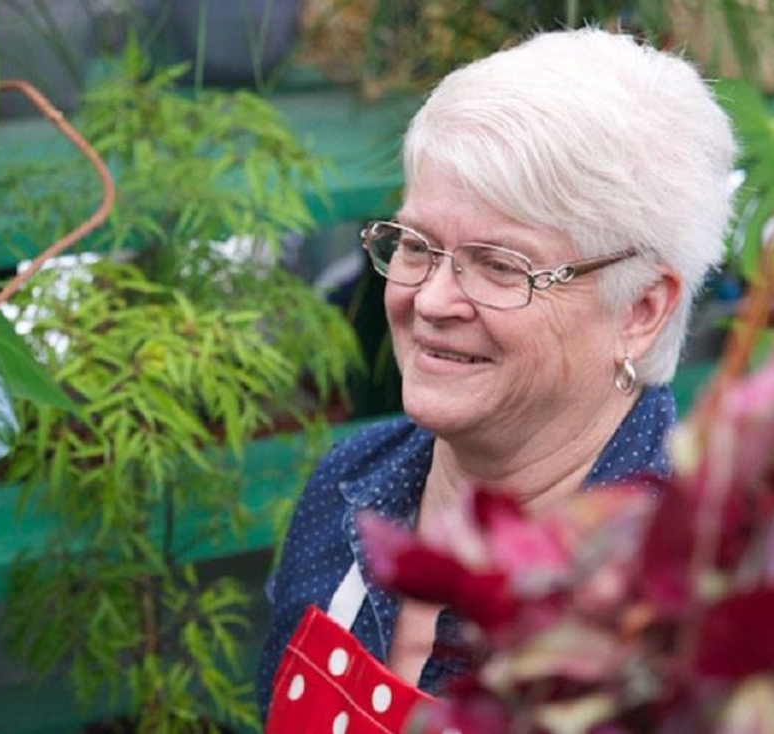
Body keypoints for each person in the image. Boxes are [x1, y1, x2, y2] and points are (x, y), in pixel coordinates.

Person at [256, 26, 737, 733]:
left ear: (639, 310)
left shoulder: (685, 602)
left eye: (500, 266)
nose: (429, 300)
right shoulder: (350, 485)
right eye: (417, 246)